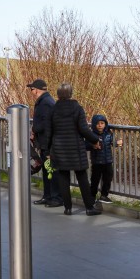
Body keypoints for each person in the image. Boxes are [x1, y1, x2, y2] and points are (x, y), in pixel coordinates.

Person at [47, 82, 102, 216]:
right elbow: (84, 129)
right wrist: (95, 140)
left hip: (59, 149)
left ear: (58, 95)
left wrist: (47, 150)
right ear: (71, 94)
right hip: (76, 149)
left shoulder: (53, 110)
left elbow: (49, 132)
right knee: (82, 178)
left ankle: (68, 208)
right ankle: (89, 207)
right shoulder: (77, 108)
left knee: (63, 178)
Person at [28, 79, 60, 207]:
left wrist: (35, 129)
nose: (31, 92)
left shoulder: (46, 103)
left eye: (31, 89)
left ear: (37, 90)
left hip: (48, 143)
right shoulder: (45, 101)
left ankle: (56, 197)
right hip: (45, 142)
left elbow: (47, 125)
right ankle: (48, 196)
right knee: (47, 171)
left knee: (51, 170)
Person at [88, 114, 121, 203]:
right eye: (98, 123)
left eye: (102, 123)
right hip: (97, 162)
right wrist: (92, 146)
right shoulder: (91, 135)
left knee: (108, 178)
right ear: (94, 124)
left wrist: (117, 143)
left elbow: (112, 142)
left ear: (105, 124)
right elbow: (86, 145)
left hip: (108, 161)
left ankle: (104, 195)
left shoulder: (108, 134)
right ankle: (92, 196)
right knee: (95, 179)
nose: (100, 125)